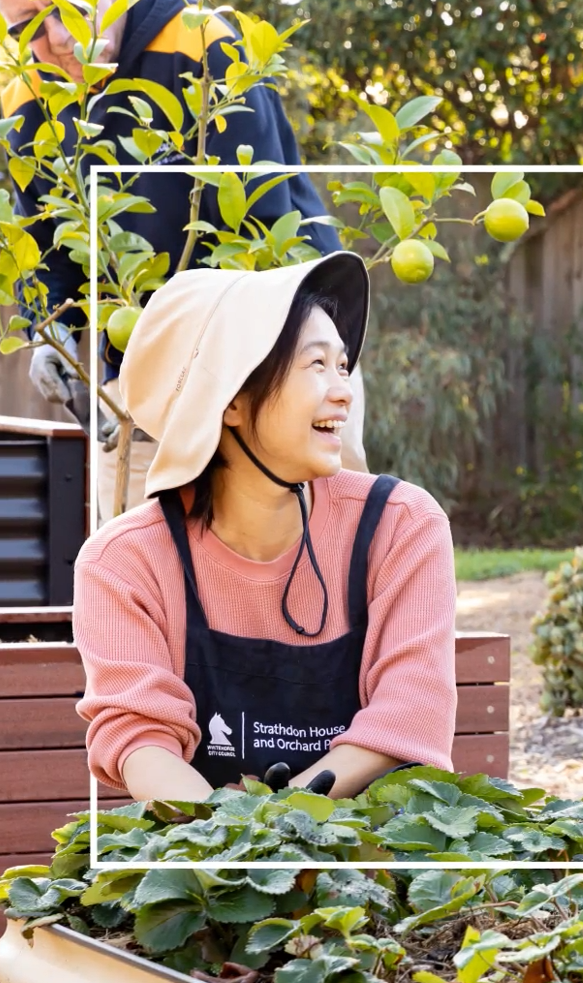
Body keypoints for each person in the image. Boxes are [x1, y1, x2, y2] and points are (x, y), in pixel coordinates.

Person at [72, 252, 455, 802]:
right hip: (209, 869)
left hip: (375, 856)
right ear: (230, 400)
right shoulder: (124, 563)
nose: (344, 391)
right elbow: (141, 740)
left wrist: (278, 820)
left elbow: (409, 716)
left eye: (343, 366)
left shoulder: (401, 527)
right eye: (316, 365)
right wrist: (236, 845)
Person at [0, 0, 367, 519]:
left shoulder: (201, 43)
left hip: (285, 344)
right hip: (140, 369)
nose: (57, 38)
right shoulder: (25, 88)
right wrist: (50, 331)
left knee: (324, 537)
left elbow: (260, 233)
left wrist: (219, 391)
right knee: (134, 550)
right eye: (29, 26)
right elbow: (46, 235)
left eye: (68, 9)